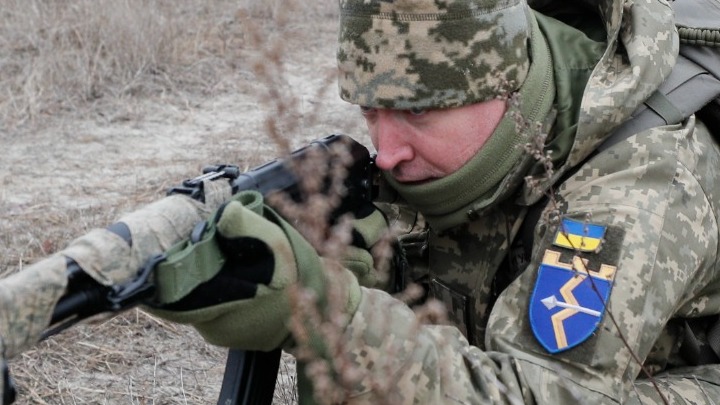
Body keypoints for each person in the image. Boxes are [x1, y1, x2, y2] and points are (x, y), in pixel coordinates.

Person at [3, 0, 719, 403]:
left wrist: (334, 314)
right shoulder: (470, 144)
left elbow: (544, 392)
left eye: (415, 113)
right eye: (370, 110)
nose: (388, 146)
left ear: (510, 88)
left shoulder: (635, 185)